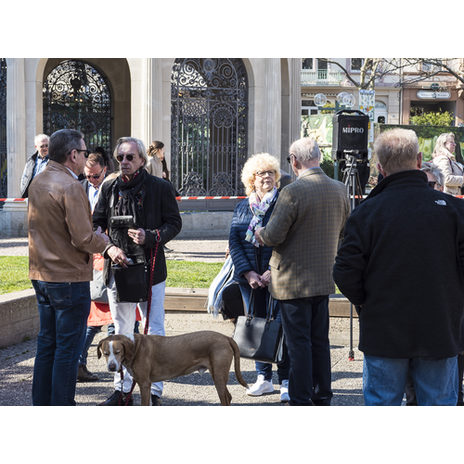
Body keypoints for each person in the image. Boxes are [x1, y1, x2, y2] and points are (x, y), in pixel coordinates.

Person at [333, 128, 464, 406]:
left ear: (380, 168)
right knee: (439, 405)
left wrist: (367, 302)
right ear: (419, 160)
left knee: (383, 404)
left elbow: (345, 271)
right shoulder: (453, 210)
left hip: (384, 330)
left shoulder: (367, 212)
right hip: (439, 328)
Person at [255, 138, 350, 406]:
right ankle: (322, 393)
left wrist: (260, 232)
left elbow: (273, 235)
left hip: (292, 280)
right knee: (320, 341)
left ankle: (300, 397)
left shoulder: (292, 192)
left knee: (298, 344)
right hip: (323, 277)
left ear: (294, 160)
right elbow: (344, 231)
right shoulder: (339, 189)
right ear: (318, 157)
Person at [93, 136, 182, 406]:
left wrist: (151, 236)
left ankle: (153, 389)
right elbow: (96, 224)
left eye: (130, 157)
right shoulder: (108, 188)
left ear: (142, 160)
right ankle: (122, 388)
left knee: (153, 328)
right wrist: (108, 249)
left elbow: (174, 223)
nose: (124, 162)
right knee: (120, 329)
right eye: (120, 157)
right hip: (117, 268)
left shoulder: (160, 187)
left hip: (151, 268)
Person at [28, 128, 109, 405]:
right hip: (68, 278)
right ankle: (62, 406)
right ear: (73, 155)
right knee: (67, 349)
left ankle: (42, 404)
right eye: (84, 152)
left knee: (47, 344)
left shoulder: (38, 180)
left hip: (41, 275)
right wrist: (104, 240)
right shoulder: (71, 185)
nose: (85, 156)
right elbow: (83, 238)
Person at [229, 152, 290, 402]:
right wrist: (248, 272)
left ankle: (285, 380)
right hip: (249, 279)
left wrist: (268, 272)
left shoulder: (283, 203)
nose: (266, 177)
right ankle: (263, 378)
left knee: (280, 327)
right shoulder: (243, 207)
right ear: (251, 179)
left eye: (270, 173)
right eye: (261, 173)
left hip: (276, 275)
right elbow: (234, 241)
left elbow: (287, 240)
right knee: (256, 327)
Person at [76, 151, 111, 382]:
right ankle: (79, 362)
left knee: (111, 316)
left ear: (104, 169)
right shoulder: (78, 188)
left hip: (108, 255)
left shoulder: (112, 188)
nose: (92, 180)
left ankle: (121, 364)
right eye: (88, 176)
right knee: (94, 317)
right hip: (89, 258)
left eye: (96, 176)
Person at [20, 134, 50, 198]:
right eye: (42, 146)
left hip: (46, 197)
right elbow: (24, 178)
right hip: (31, 197)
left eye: (47, 145)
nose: (45, 148)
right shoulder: (31, 161)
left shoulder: (54, 161)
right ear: (36, 147)